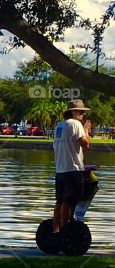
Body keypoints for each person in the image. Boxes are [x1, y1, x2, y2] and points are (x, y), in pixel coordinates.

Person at [52, 98, 90, 234]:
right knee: (69, 202)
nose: (83, 115)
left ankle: (56, 231)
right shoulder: (76, 124)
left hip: (60, 170)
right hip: (73, 170)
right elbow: (86, 145)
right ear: (74, 112)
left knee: (60, 202)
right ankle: (65, 232)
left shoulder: (59, 126)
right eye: (81, 112)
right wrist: (86, 130)